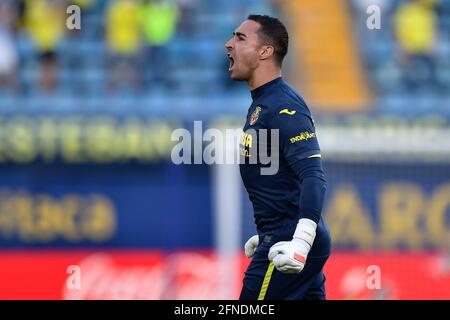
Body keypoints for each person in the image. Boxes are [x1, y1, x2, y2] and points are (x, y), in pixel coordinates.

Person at [225, 14, 331, 300]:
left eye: (240, 38)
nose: (229, 44)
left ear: (265, 51)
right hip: (280, 235)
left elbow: (313, 176)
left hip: (287, 242)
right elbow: (284, 182)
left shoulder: (284, 106)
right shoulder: (263, 103)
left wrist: (299, 240)